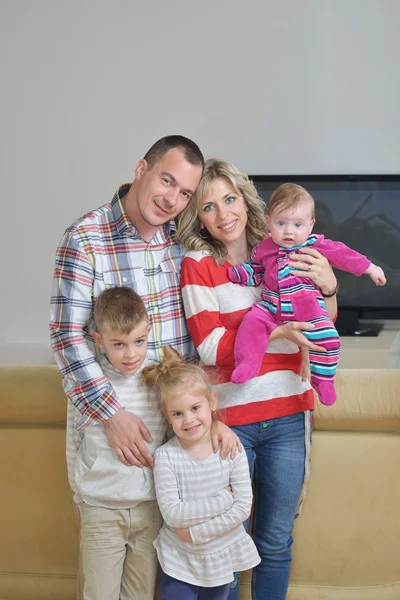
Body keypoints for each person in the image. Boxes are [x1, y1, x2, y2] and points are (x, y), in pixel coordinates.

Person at [177, 159, 339, 600]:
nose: (223, 213)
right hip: (231, 424)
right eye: (208, 207)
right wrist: (279, 333)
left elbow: (322, 323)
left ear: (247, 202)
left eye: (229, 199)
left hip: (289, 416)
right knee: (226, 543)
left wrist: (328, 288)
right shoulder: (198, 264)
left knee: (275, 542)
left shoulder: (283, 245)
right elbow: (210, 346)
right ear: (199, 217)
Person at [228, 183, 386, 406]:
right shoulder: (264, 248)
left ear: (311, 225)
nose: (289, 231)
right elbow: (255, 269)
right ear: (268, 221)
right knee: (251, 323)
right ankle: (247, 365)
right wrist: (239, 273)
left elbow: (344, 255)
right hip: (271, 307)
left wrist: (370, 268)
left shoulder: (316, 245)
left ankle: (323, 380)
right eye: (281, 223)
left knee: (329, 339)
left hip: (308, 310)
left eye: (298, 224)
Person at [67, 286, 166, 600]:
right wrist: (79, 493)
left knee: (140, 595)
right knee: (99, 594)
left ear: (148, 331)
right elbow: (74, 441)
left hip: (150, 508)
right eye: (118, 344)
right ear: (99, 341)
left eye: (138, 341)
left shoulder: (158, 377)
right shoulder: (89, 386)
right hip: (101, 508)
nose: (130, 354)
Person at [142, 345, 261, 600]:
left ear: (212, 402)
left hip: (219, 558)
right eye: (178, 413)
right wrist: (224, 499)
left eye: (196, 408)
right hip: (179, 560)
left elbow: (243, 508)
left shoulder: (231, 449)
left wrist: (195, 533)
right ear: (167, 416)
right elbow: (173, 514)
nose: (188, 420)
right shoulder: (166, 457)